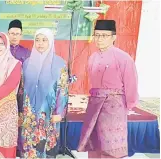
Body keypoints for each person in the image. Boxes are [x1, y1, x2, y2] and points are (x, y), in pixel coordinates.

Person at [77, 20, 138, 158]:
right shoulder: (92, 57)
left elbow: (131, 84)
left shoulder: (123, 58)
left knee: (111, 146)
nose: (99, 39)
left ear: (113, 37)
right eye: (97, 35)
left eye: (104, 35)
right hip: (94, 105)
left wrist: (129, 106)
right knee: (94, 142)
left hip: (114, 107)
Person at [20, 28, 69, 158]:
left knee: (46, 144)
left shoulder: (59, 64)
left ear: (51, 42)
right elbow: (22, 89)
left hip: (49, 111)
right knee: (29, 145)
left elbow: (63, 90)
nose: (40, 43)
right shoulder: (26, 63)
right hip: (29, 112)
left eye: (44, 40)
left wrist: (59, 112)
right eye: (37, 40)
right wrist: (20, 111)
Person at [7, 19, 31, 157]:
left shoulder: (27, 53)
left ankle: (20, 150)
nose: (14, 36)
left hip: (21, 93)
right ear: (7, 34)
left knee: (20, 120)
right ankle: (8, 149)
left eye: (17, 33)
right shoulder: (1, 51)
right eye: (12, 33)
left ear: (21, 35)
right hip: (5, 93)